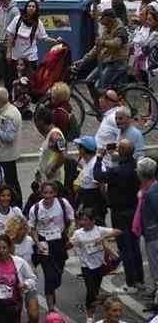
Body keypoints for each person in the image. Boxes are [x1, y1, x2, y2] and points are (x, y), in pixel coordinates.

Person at [93, 138, 145, 293]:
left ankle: (131, 282)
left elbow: (98, 175)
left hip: (119, 213)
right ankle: (139, 278)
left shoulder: (116, 171)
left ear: (121, 151)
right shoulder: (137, 166)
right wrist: (116, 156)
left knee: (124, 247)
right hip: (134, 210)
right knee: (135, 246)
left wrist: (99, 157)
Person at [26, 180, 74, 311]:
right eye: (45, 193)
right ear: (41, 193)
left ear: (55, 193)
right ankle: (51, 308)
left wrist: (69, 236)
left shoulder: (63, 203)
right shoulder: (35, 208)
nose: (48, 196)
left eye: (51, 193)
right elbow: (32, 228)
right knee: (49, 275)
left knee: (57, 274)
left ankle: (52, 294)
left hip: (59, 241)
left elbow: (71, 219)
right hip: (43, 243)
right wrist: (37, 243)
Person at [71, 207, 122, 323]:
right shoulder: (78, 233)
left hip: (99, 266)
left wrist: (103, 237)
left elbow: (119, 231)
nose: (82, 222)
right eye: (81, 220)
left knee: (95, 290)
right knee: (91, 291)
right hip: (86, 267)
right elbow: (69, 245)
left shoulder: (99, 230)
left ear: (92, 220)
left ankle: (102, 308)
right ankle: (90, 316)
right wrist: (76, 243)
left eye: (85, 220)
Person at [0, 234, 37, 323]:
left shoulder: (19, 262)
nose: (1, 251)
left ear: (9, 248)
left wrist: (25, 284)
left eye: (4, 248)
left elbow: (32, 278)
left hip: (13, 306)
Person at [0, 87, 23, 208]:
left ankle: (16, 206)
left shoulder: (10, 114)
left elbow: (9, 138)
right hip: (2, 155)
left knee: (11, 183)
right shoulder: (3, 110)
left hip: (6, 156)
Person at [138, 157, 158, 313]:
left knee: (155, 270)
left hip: (153, 236)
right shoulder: (151, 188)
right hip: (152, 234)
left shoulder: (151, 192)